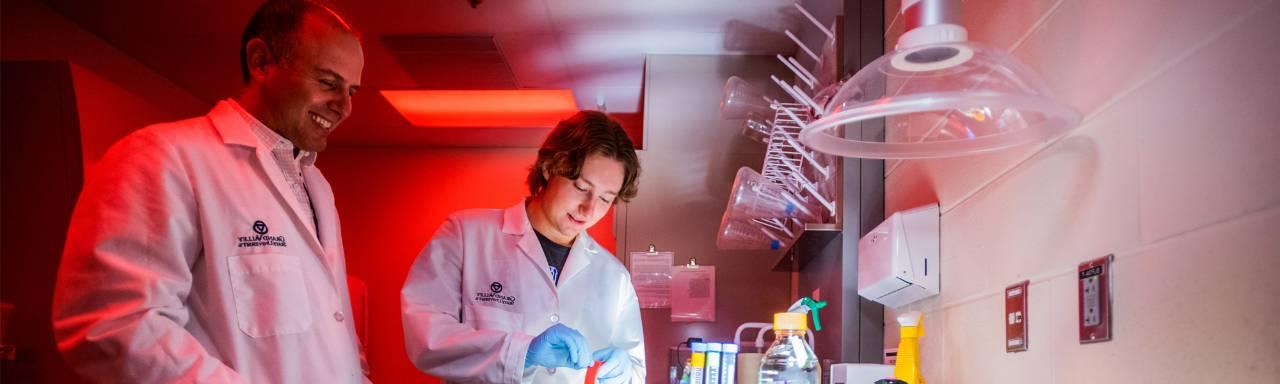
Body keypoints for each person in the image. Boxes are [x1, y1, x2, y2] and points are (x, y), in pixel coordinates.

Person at [51, 1, 369, 382]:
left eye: (351, 90)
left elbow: (333, 331)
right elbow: (115, 325)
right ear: (262, 61)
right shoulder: (167, 157)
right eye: (328, 82)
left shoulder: (316, 188)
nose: (344, 107)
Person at [402, 111, 645, 383]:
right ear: (549, 167)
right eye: (580, 187)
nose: (589, 209)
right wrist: (521, 353)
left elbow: (635, 369)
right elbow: (425, 339)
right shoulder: (466, 235)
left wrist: (625, 373)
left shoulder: (615, 278)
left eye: (605, 198)